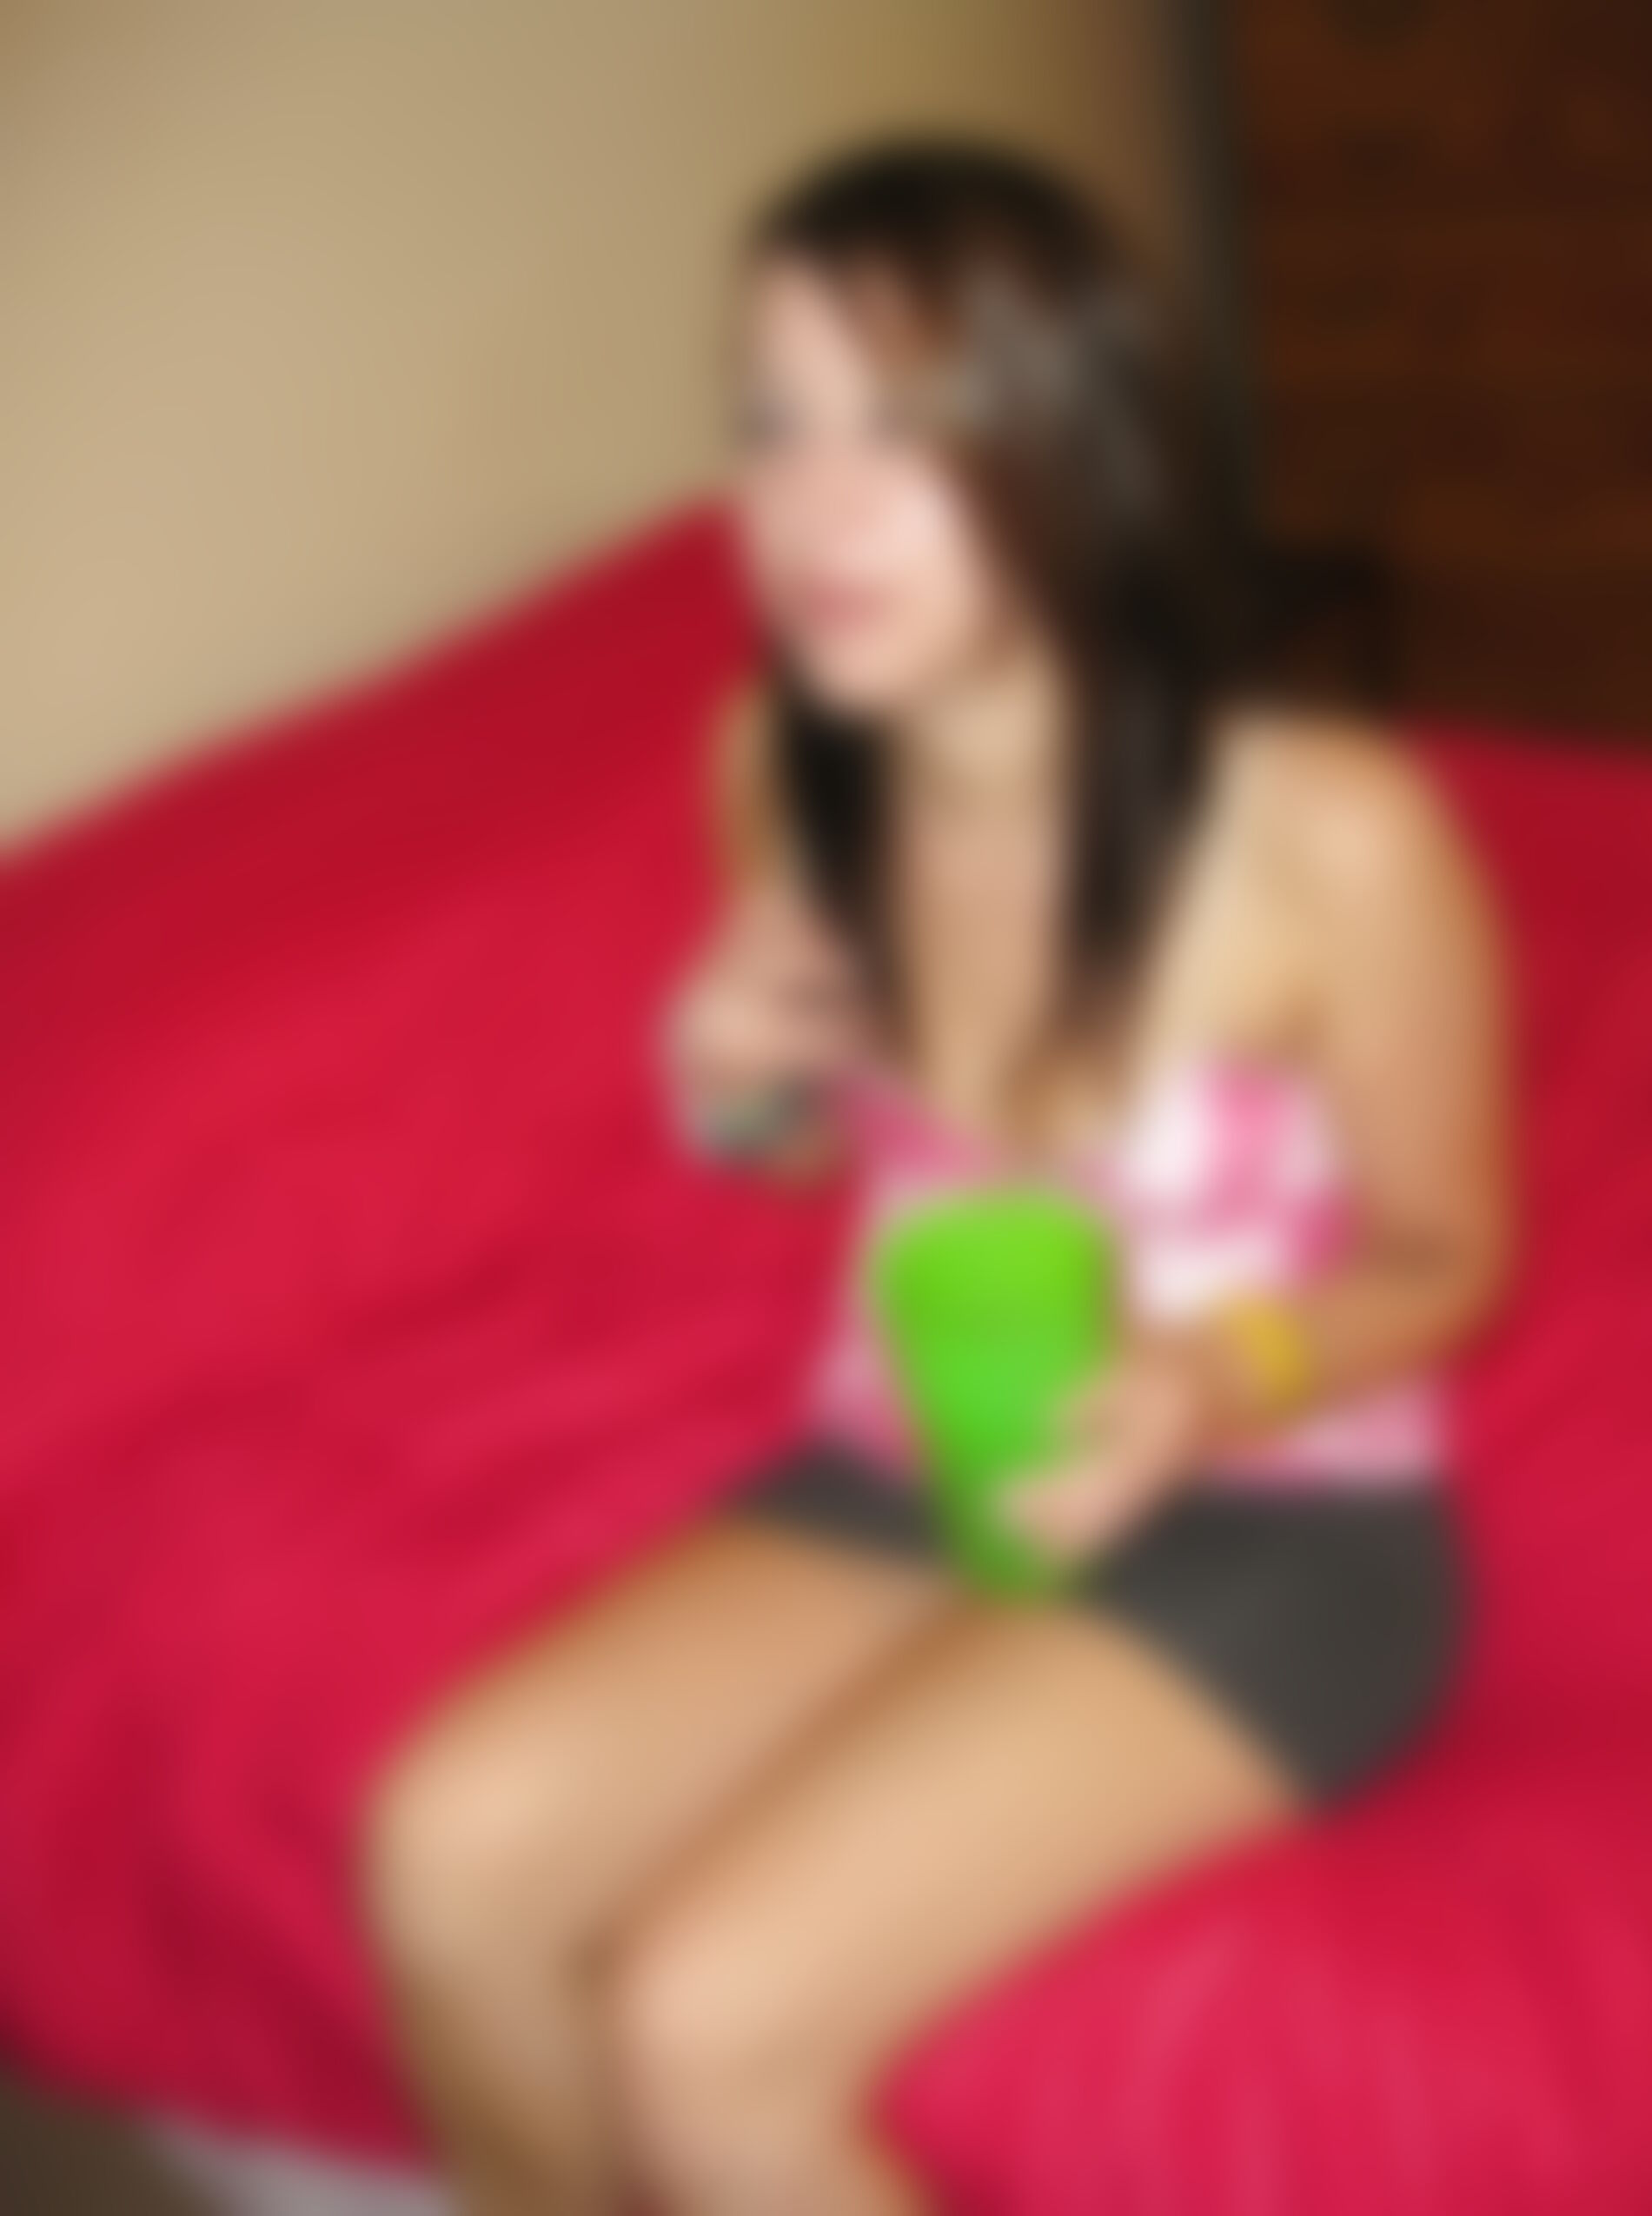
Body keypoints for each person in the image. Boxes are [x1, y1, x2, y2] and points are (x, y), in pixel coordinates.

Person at [360, 136, 1517, 2216]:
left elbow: (1450, 1254)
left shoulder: (1325, 831)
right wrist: (726, 1085)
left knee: (704, 2027)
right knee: (441, 1855)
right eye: (769, 423)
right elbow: (802, 1157)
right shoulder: (775, 761)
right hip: (914, 1453)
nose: (808, 510)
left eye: (898, 428)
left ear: (1075, 448)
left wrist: (1203, 1384)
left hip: (1280, 1505)